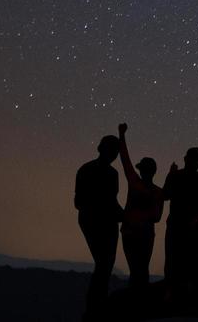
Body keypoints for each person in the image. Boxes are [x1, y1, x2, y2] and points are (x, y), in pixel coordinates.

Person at [75, 131, 124, 320]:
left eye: (116, 151)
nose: (114, 154)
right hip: (96, 221)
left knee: (105, 264)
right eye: (113, 150)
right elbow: (82, 201)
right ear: (102, 149)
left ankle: (96, 307)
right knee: (105, 264)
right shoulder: (92, 171)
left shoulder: (108, 173)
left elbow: (111, 200)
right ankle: (95, 308)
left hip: (102, 221)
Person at [116, 123, 164, 289]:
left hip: (131, 231)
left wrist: (122, 135)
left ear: (142, 171)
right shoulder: (158, 192)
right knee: (141, 268)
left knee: (136, 269)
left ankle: (134, 299)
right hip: (143, 233)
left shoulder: (135, 183)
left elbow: (125, 160)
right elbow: (157, 217)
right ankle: (140, 299)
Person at [162, 146, 198, 285]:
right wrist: (197, 219)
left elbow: (165, 195)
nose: (197, 163)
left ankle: (174, 290)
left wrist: (196, 219)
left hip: (183, 224)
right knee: (177, 258)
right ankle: (175, 290)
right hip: (181, 224)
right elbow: (165, 195)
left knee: (179, 258)